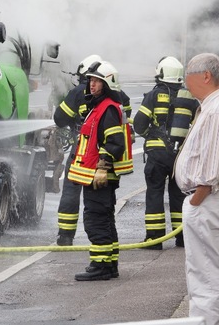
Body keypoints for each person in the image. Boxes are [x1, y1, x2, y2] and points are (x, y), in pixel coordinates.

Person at [174, 53, 219, 325]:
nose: (185, 81)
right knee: (206, 271)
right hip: (209, 201)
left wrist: (196, 200)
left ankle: (210, 322)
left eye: (189, 74)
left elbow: (210, 170)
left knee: (207, 274)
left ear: (205, 76)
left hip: (208, 201)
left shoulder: (217, 110)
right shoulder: (216, 106)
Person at [53, 55, 132, 246]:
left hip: (83, 149)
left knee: (72, 190)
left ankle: (65, 235)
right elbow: (125, 117)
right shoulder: (119, 95)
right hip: (108, 155)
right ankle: (106, 244)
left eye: (93, 80)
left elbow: (60, 119)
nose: (90, 84)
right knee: (103, 205)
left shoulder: (78, 92)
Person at [68, 60, 133, 281]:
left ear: (107, 84)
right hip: (95, 176)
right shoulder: (98, 107)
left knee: (96, 219)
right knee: (104, 219)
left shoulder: (107, 109)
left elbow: (115, 141)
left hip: (100, 176)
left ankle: (101, 266)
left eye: (97, 81)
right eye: (91, 81)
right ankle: (109, 264)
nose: (92, 85)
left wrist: (103, 167)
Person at [133, 56, 199, 249]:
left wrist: (150, 135)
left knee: (154, 193)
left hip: (157, 155)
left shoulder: (154, 96)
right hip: (180, 155)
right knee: (178, 194)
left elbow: (139, 125)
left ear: (161, 73)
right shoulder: (188, 97)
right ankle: (182, 237)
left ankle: (154, 240)